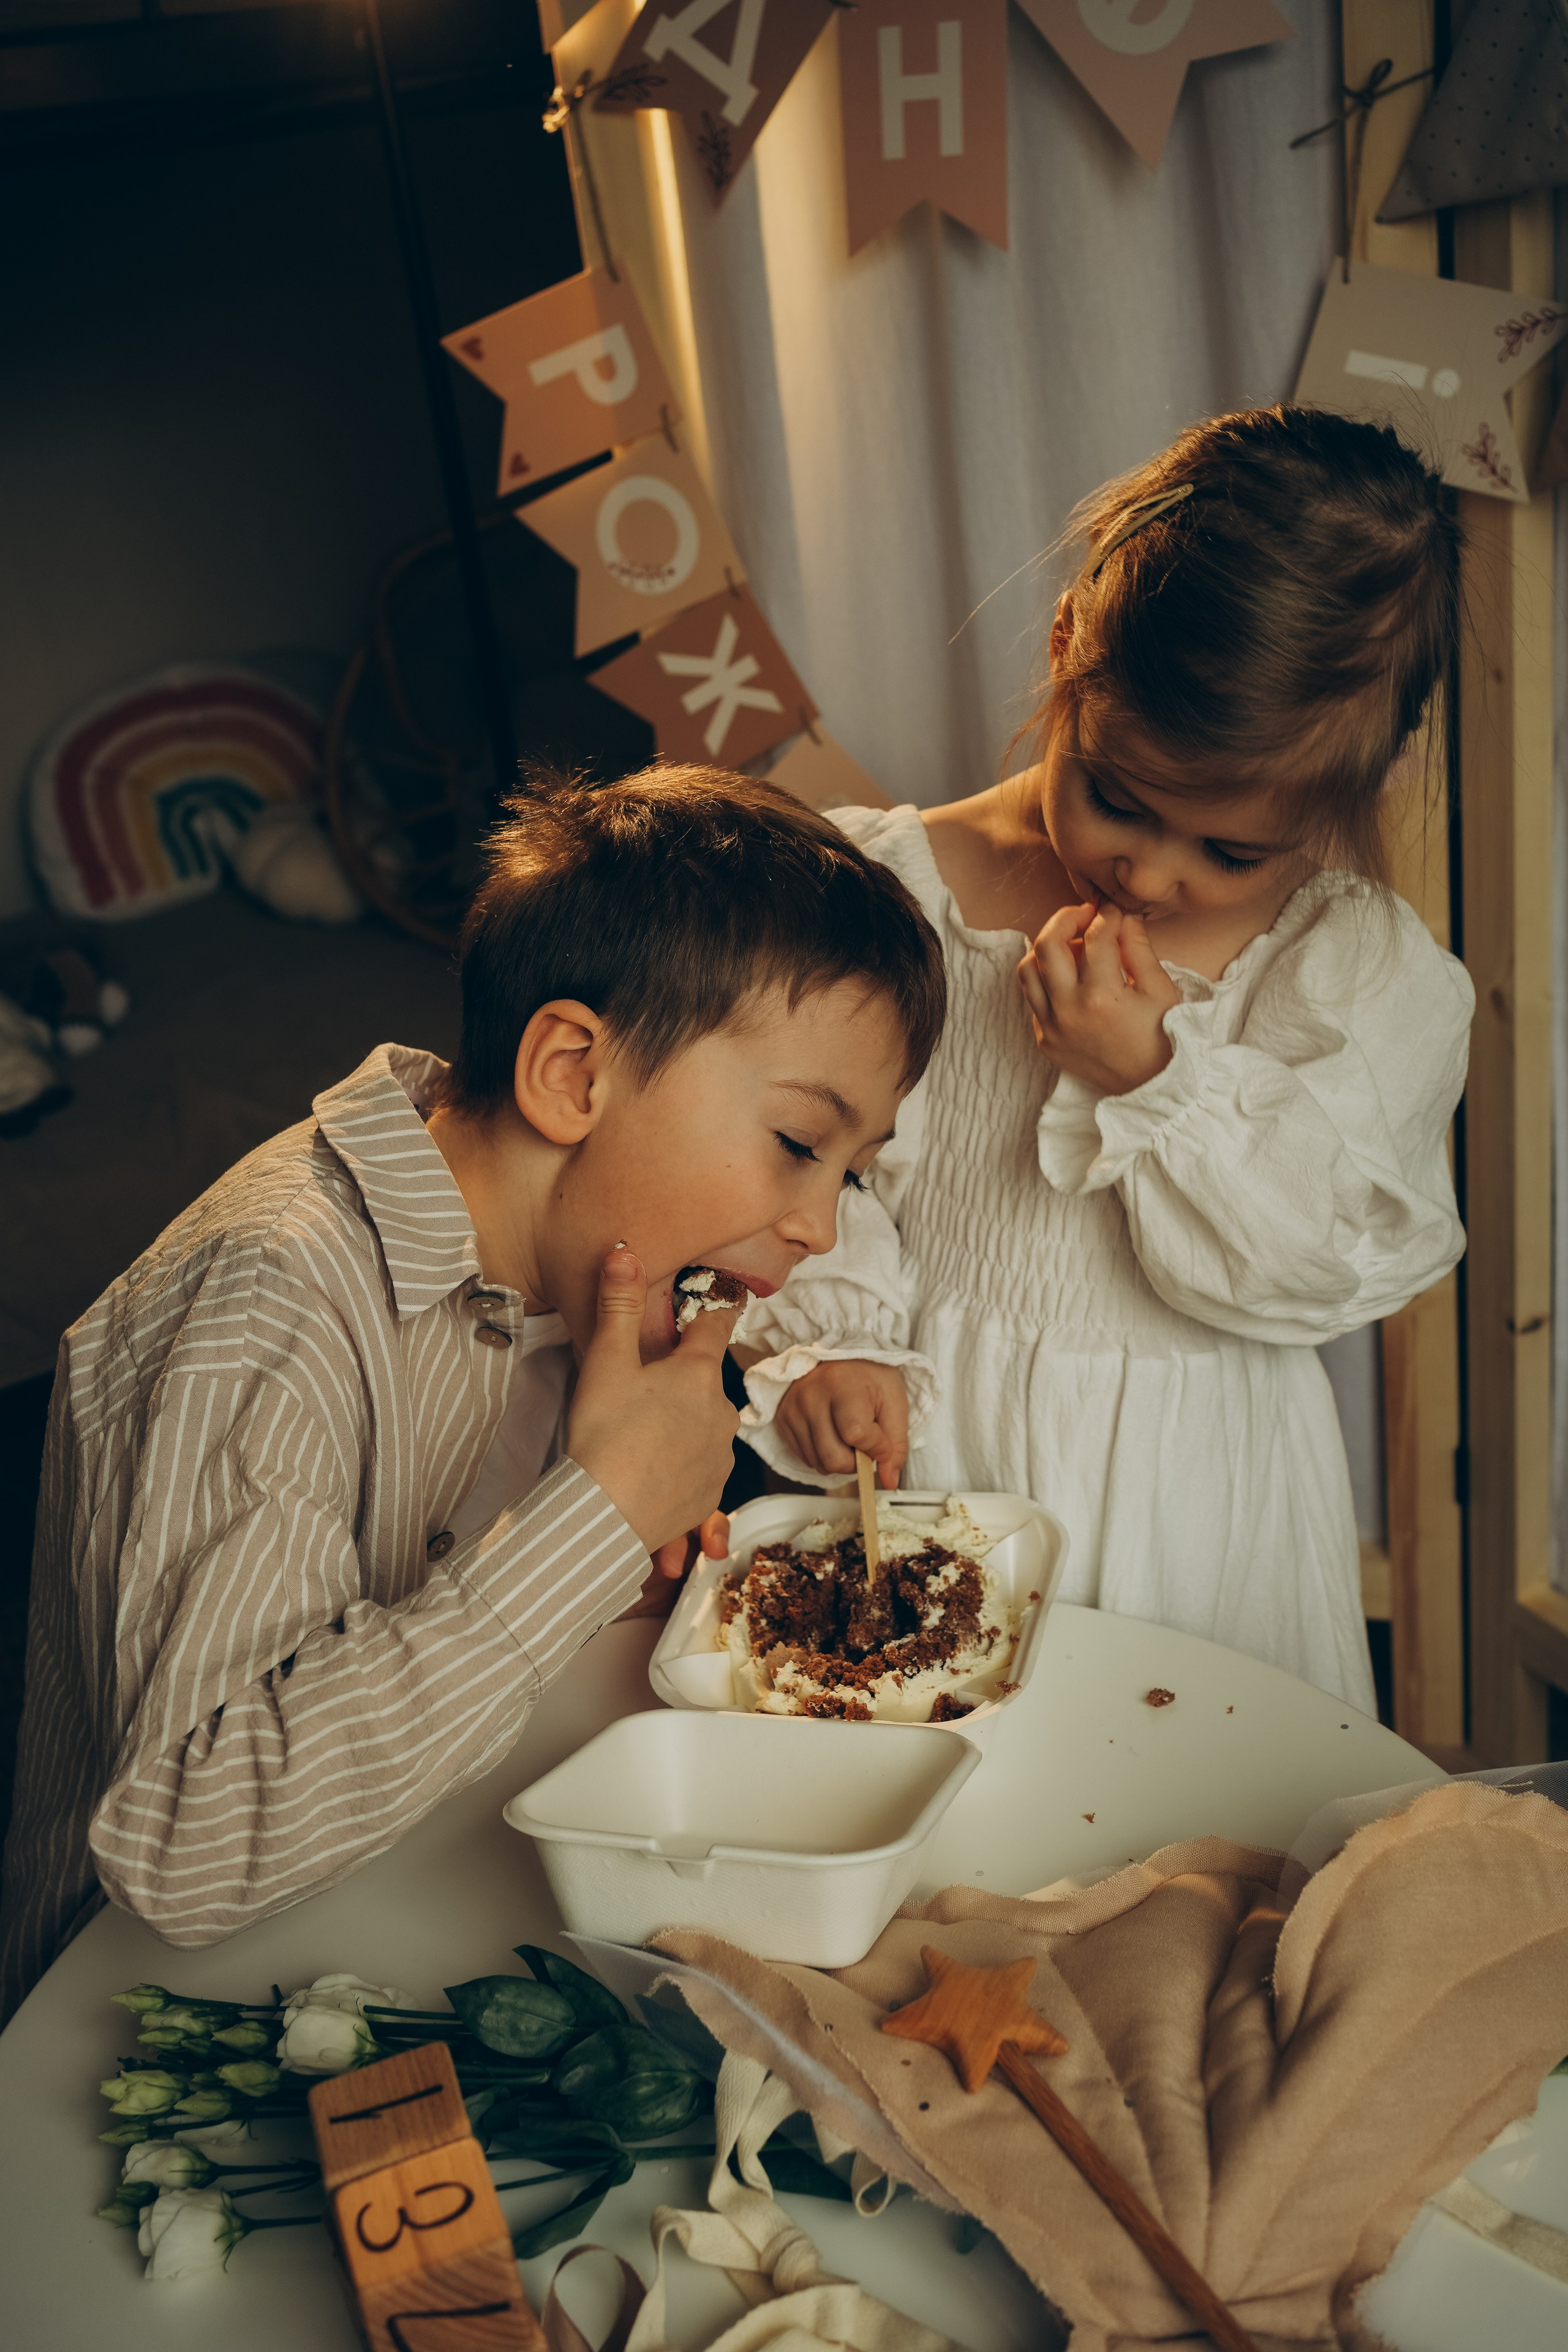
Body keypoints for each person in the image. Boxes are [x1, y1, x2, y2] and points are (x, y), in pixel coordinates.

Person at [0, 766, 944, 2021]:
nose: (820, 1229)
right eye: (794, 1143)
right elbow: (187, 1848)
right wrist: (590, 1520)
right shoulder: (264, 1305)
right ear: (570, 1075)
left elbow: (447, 1620)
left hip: (418, 1873)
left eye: (851, 1174)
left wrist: (618, 1557)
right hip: (138, 2003)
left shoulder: (576, 1259)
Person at [737, 407, 1472, 1713]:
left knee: (1183, 1827)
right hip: (943, 1450)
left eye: (1228, 852)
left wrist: (1161, 1080)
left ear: (1371, 774)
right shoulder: (880, 895)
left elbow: (1310, 1269)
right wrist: (833, 1341)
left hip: (1194, 1491)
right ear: (1067, 640)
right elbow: (800, 1163)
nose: (1147, 871)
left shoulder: (1350, 969)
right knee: (956, 1830)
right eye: (1118, 797)